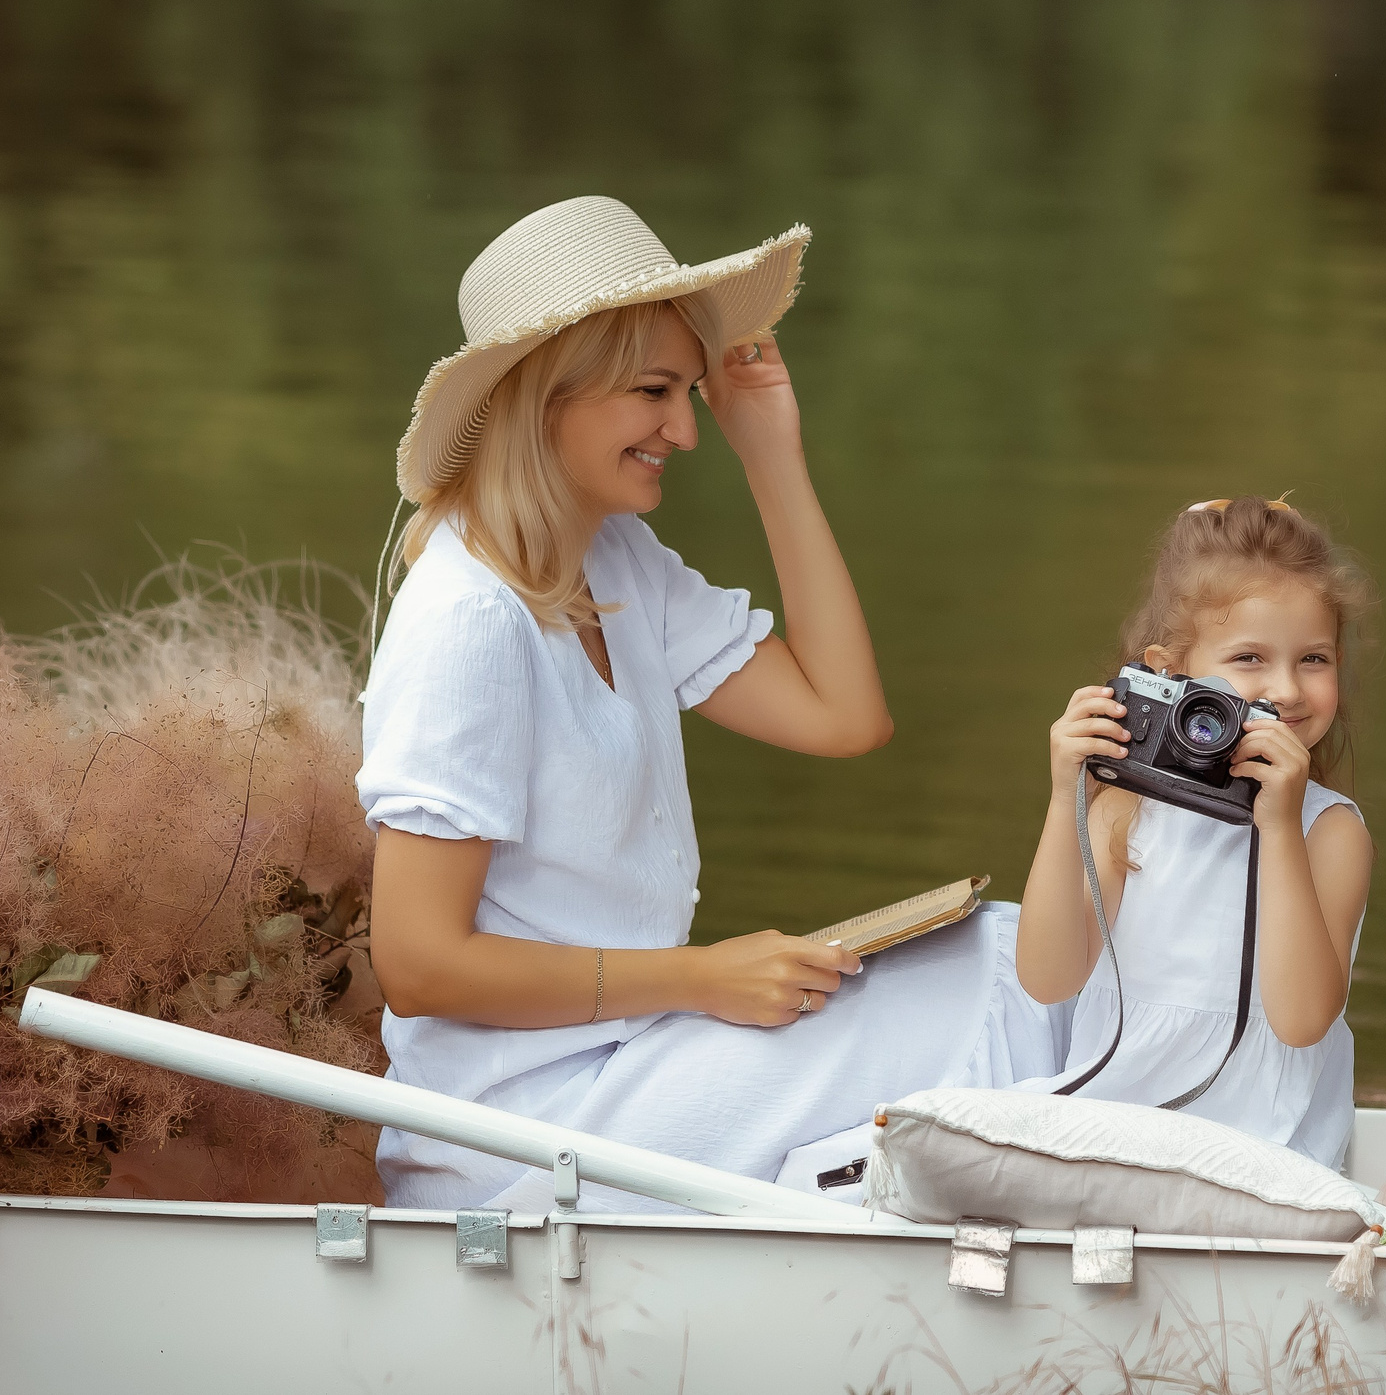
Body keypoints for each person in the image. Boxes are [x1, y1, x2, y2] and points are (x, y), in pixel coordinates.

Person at [359, 196, 1058, 1211]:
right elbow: (418, 963)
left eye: (690, 392)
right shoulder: (469, 619)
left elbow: (842, 714)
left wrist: (770, 449)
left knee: (1001, 945)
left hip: (638, 1063)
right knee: (1002, 974)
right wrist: (700, 977)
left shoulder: (613, 559)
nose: (685, 429)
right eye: (654, 391)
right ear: (545, 392)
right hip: (515, 1133)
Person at [1016, 496, 1376, 1169]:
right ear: (1170, 675)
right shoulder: (1127, 810)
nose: (1286, 690)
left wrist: (1277, 828)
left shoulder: (1328, 832)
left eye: (1314, 660)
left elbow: (1300, 1022)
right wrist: (1065, 795)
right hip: (1113, 1129)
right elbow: (1048, 979)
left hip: (1264, 1149)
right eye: (1248, 658)